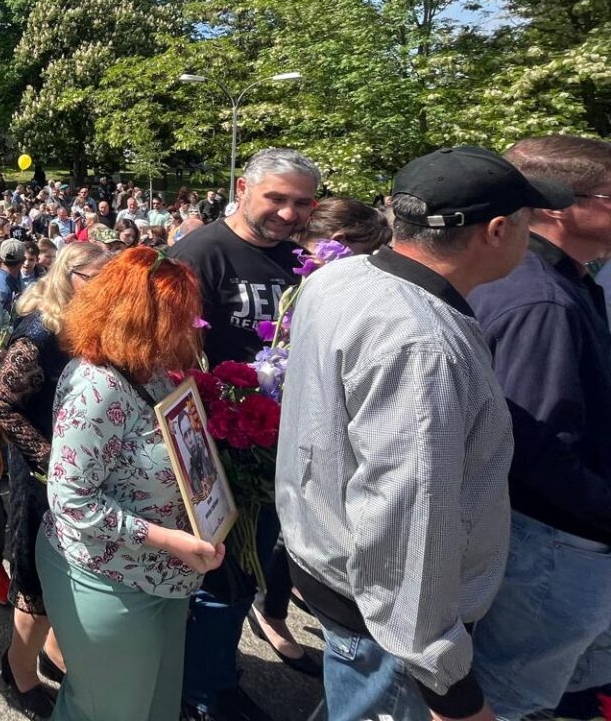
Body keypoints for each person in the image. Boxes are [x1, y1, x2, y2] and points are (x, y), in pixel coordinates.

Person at [277, 145, 568, 721]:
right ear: (497, 230)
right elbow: (408, 520)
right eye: (529, 220)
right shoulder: (421, 342)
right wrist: (449, 687)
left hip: (338, 576)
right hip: (389, 629)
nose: (533, 235)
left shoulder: (342, 277)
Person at [35, 247, 223, 720]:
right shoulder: (98, 387)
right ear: (140, 319)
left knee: (155, 704)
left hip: (163, 572)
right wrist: (169, 539)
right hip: (107, 575)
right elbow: (71, 499)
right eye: (177, 317)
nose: (189, 327)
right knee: (107, 710)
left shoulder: (152, 369)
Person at [168, 147, 320, 721]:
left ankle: (217, 673)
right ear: (242, 189)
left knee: (248, 570)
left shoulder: (300, 262)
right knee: (221, 577)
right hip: (216, 448)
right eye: (276, 198)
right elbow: (169, 356)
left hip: (274, 445)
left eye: (302, 203)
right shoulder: (200, 254)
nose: (289, 213)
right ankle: (203, 691)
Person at [464, 137, 611, 720]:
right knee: (510, 699)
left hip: (553, 533)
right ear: (557, 206)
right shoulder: (542, 301)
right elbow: (538, 447)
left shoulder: (559, 279)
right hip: (551, 539)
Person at [249, 196, 390, 676]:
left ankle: (279, 598)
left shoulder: (345, 287)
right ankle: (270, 610)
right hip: (296, 423)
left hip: (318, 421)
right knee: (287, 521)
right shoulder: (309, 284)